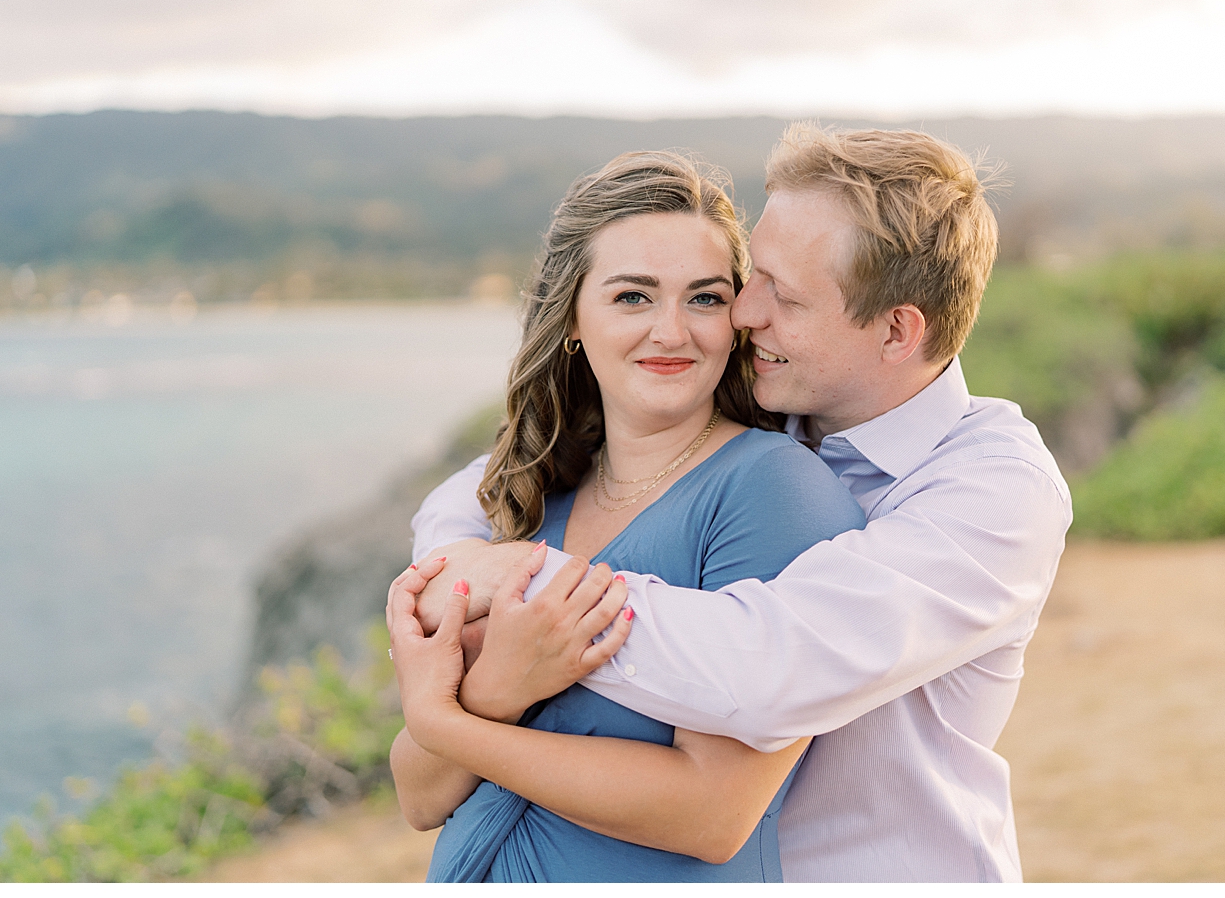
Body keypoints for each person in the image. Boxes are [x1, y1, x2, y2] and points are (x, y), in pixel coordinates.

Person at [409, 123, 1074, 882]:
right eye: (749, 277)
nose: (743, 312)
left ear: (897, 330)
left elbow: (765, 668)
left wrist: (517, 595)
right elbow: (482, 487)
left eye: (781, 295)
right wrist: (460, 560)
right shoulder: (776, 410)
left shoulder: (991, 490)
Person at [387, 150, 866, 882]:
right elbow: (419, 793)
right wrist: (497, 690)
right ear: (572, 317)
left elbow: (714, 814)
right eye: (633, 297)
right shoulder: (536, 495)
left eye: (704, 298)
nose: (672, 332)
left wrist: (449, 720)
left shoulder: (773, 491)